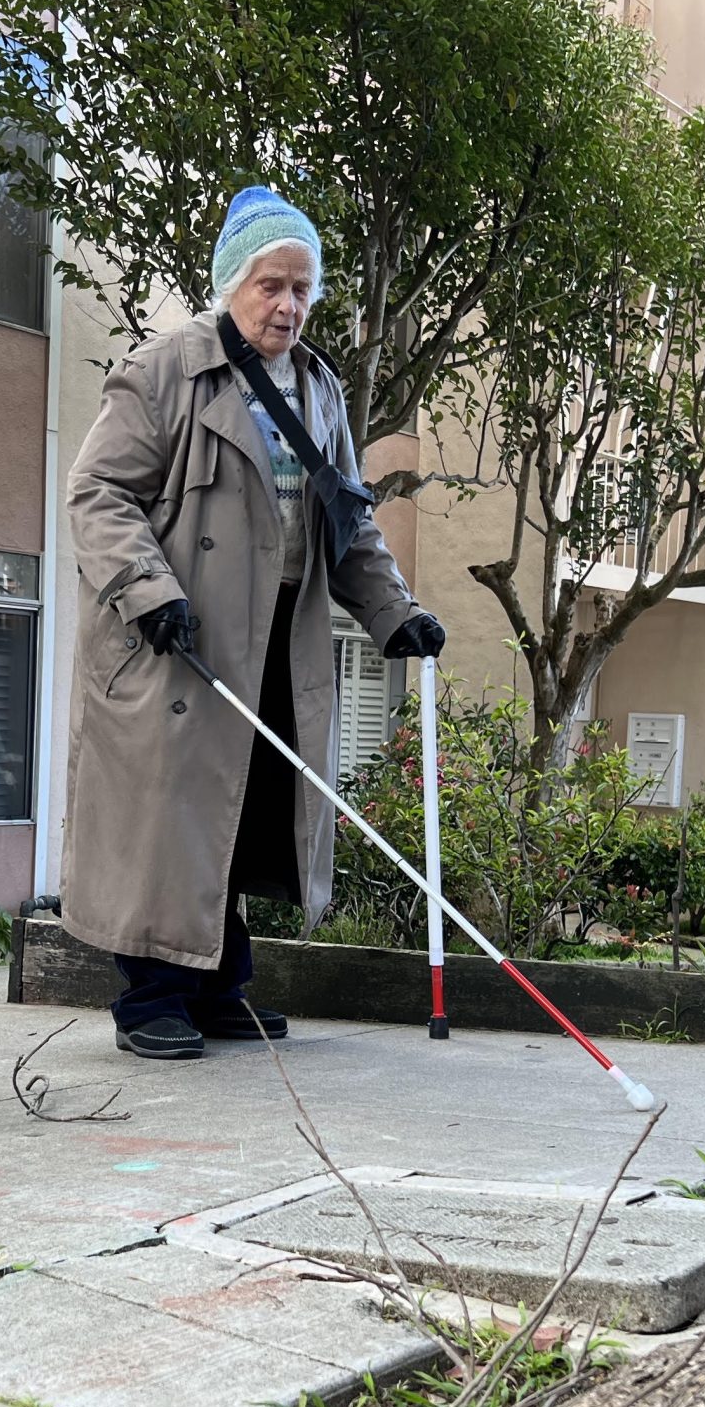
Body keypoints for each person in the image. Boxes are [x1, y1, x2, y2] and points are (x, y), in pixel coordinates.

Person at [60, 186, 444, 1060]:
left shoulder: (319, 388)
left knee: (238, 810)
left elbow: (347, 522)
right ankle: (152, 997)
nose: (289, 305)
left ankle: (218, 986)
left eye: (303, 288)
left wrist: (395, 612)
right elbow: (98, 492)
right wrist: (149, 590)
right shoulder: (164, 370)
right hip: (175, 639)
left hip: (277, 637)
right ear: (232, 283)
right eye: (272, 285)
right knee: (168, 818)